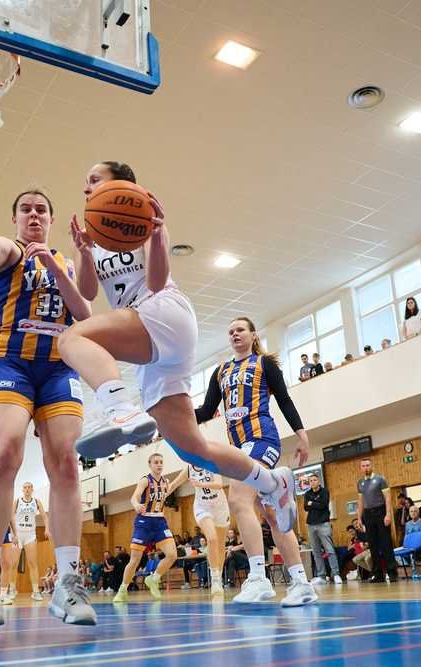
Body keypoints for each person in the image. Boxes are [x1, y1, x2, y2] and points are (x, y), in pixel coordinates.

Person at [59, 161, 305, 551]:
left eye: (94, 180)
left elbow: (156, 282)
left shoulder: (143, 219)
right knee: (194, 450)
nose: (86, 189)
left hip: (163, 312)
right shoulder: (93, 233)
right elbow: (87, 292)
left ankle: (120, 408)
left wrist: (158, 236)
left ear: (120, 185)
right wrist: (84, 251)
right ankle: (272, 482)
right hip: (150, 346)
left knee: (71, 339)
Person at [0, 170, 95, 628]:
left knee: (67, 463)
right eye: (26, 209)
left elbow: (85, 310)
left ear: (51, 219)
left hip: (58, 368)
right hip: (9, 363)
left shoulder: (63, 262)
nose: (34, 215)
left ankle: (68, 584)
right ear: (16, 218)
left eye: (41, 210)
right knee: (4, 453)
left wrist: (75, 258)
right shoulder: (12, 251)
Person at [191, 316, 318, 606]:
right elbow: (206, 410)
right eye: (230, 331)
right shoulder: (221, 371)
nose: (234, 334)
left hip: (262, 439)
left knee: (238, 499)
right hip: (238, 447)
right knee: (271, 514)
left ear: (253, 334)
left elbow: (284, 399)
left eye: (240, 329)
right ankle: (301, 583)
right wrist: (174, 416)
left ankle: (259, 578)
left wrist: (302, 435)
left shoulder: (264, 364)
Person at [112, 452, 178, 603]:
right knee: (135, 560)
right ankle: (122, 590)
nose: (159, 464)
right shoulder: (145, 480)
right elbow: (134, 496)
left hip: (160, 522)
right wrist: (136, 505)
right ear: (150, 464)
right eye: (156, 462)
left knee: (172, 555)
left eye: (161, 462)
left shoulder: (165, 482)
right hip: (144, 522)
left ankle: (154, 579)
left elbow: (173, 486)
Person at [169, 463, 230, 595]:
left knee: (220, 544)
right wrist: (159, 497)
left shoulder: (211, 463)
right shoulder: (189, 469)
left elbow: (219, 484)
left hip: (220, 506)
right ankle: (215, 579)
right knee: (212, 539)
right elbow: (173, 485)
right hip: (202, 506)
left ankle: (219, 577)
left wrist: (201, 484)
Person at [356, 459, 396, 583]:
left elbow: (387, 498)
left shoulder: (380, 479)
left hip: (381, 512)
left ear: (371, 466)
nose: (366, 468)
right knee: (373, 545)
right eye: (363, 466)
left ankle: (392, 573)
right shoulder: (360, 482)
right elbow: (360, 501)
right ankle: (378, 574)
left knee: (386, 544)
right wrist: (359, 518)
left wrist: (388, 514)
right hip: (368, 515)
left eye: (368, 465)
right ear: (361, 468)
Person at [14, 482, 49, 601]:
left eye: (29, 487)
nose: (27, 489)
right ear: (22, 489)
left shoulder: (37, 501)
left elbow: (45, 516)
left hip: (30, 534)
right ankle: (12, 589)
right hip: (18, 533)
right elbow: (10, 516)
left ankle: (35, 591)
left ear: (32, 489)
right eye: (25, 487)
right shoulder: (17, 501)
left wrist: (47, 528)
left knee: (33, 564)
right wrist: (13, 533)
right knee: (14, 564)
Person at [304, 474, 341, 585]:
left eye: (315, 480)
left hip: (323, 523)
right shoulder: (307, 494)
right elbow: (306, 507)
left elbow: (323, 505)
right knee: (316, 551)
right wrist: (315, 504)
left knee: (329, 550)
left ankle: (336, 574)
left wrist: (312, 503)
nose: (313, 482)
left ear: (318, 481)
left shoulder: (324, 492)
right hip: (311, 524)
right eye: (311, 481)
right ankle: (321, 576)